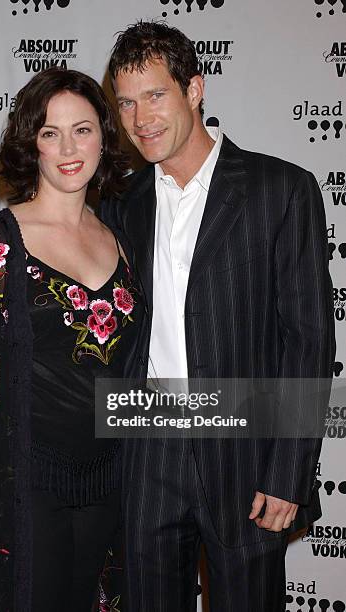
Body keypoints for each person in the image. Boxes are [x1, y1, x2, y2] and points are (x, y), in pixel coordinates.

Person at [99, 21, 335, 612]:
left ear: (194, 89)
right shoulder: (120, 204)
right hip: (147, 449)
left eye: (155, 95)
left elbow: (307, 341)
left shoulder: (280, 189)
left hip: (246, 456)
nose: (140, 118)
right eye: (126, 103)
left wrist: (290, 470)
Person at [0, 67, 143, 611]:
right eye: (50, 133)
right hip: (28, 487)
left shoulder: (122, 243)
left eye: (83, 129)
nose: (69, 148)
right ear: (33, 144)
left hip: (113, 485)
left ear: (104, 134)